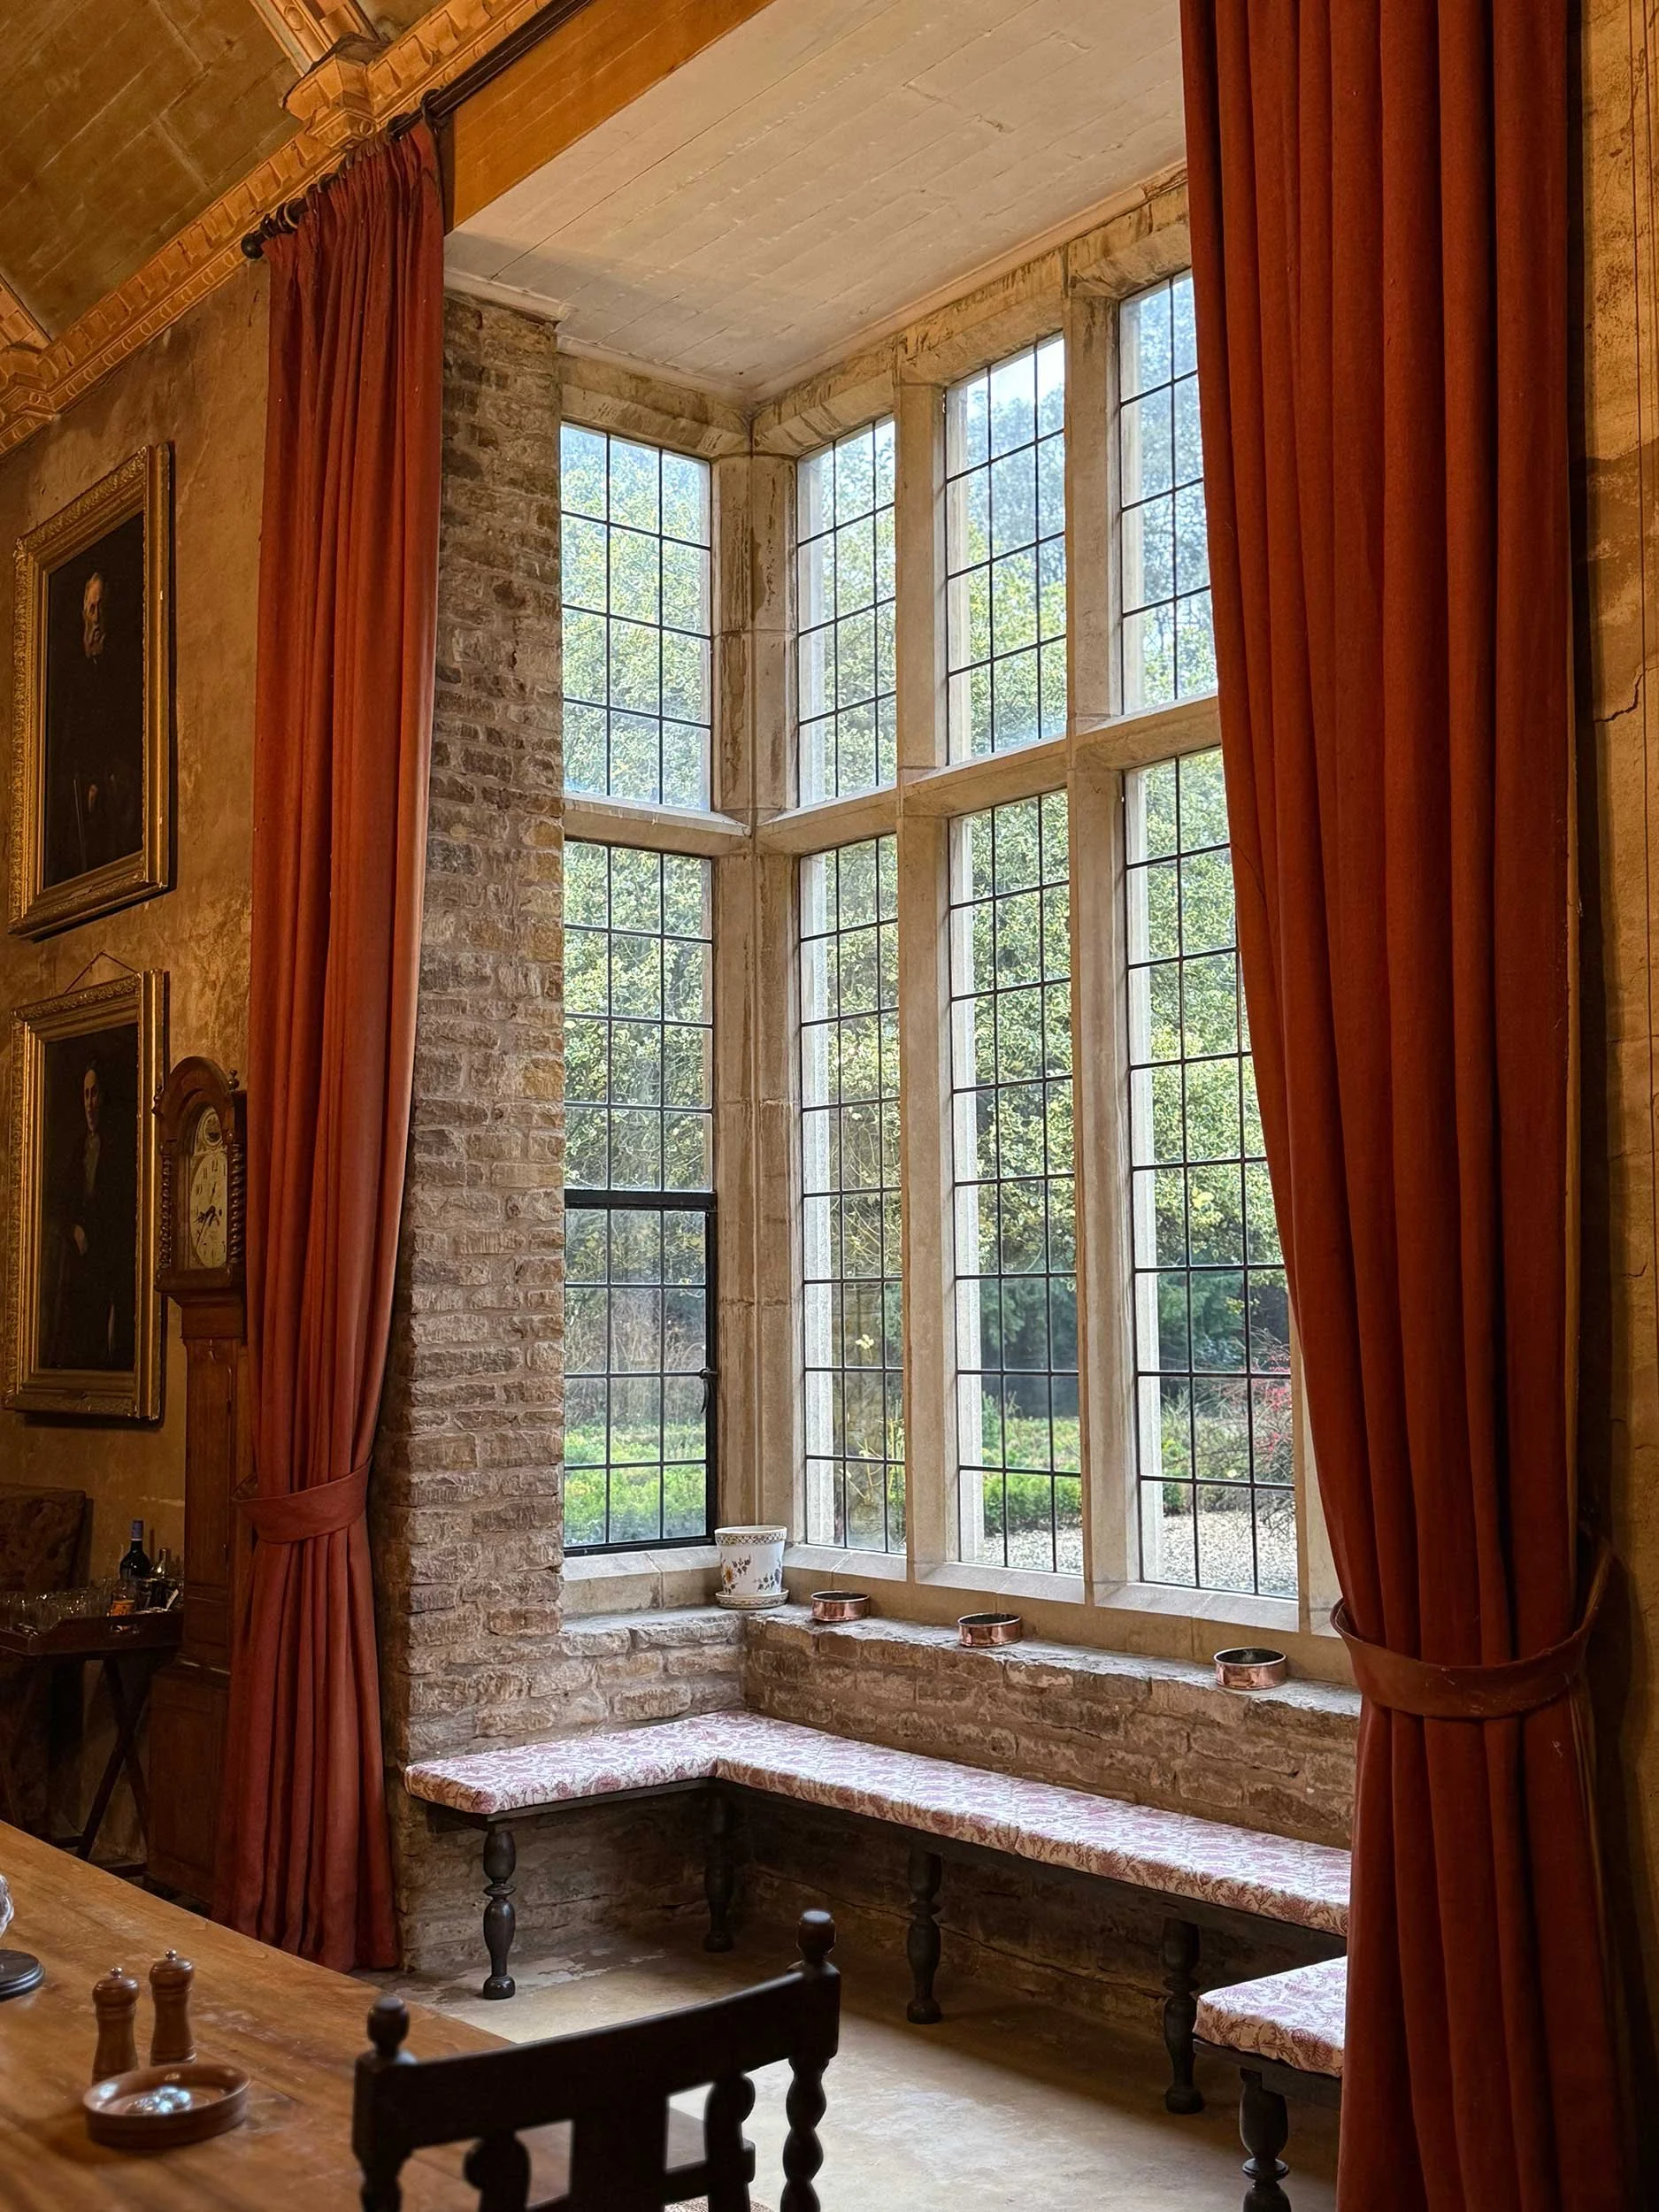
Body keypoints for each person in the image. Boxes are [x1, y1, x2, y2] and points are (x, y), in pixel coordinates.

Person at [42, 526, 145, 888]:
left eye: (102, 606)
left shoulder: (123, 662)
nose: (97, 615)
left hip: (115, 773)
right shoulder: (72, 667)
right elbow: (70, 731)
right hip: (83, 775)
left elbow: (123, 724)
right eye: (91, 607)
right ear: (83, 611)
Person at [45, 1054, 134, 1371]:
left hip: (106, 1263)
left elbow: (119, 1210)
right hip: (77, 1263)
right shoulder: (76, 1148)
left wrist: (93, 1234)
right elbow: (62, 1203)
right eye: (85, 1094)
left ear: (104, 1097)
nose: (89, 1102)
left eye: (94, 1093)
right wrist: (74, 1229)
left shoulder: (119, 1148)